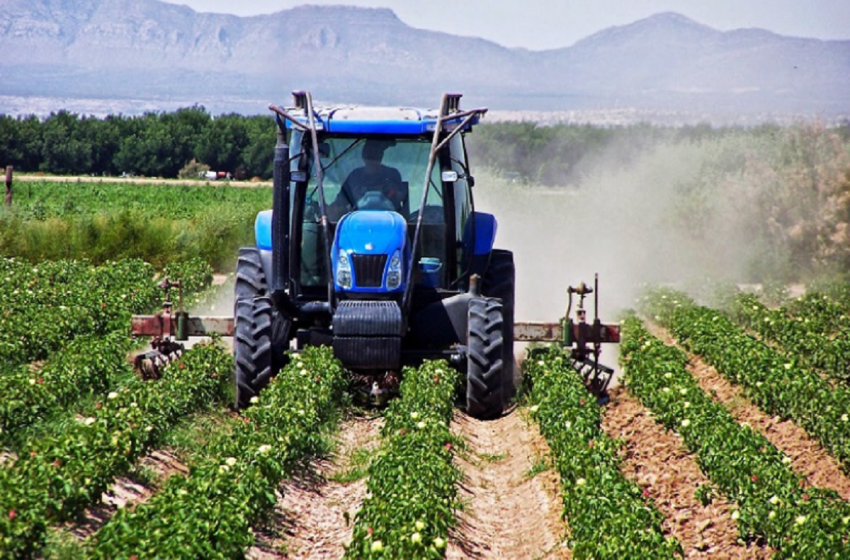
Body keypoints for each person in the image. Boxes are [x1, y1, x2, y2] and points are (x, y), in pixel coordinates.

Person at [330, 140, 404, 216]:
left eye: (376, 152)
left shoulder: (392, 174)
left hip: (391, 221)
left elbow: (402, 198)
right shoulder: (354, 176)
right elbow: (340, 203)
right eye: (369, 151)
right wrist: (327, 214)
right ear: (363, 154)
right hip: (356, 222)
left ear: (381, 155)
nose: (372, 155)